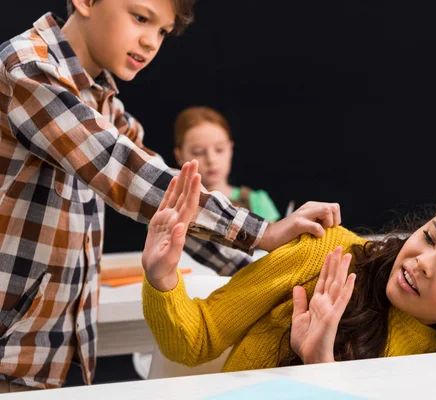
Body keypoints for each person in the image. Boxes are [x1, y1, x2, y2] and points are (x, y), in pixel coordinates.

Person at [0, 0, 341, 391]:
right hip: (9, 352)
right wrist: (263, 232)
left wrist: (279, 278)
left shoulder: (104, 104)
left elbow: (171, 213)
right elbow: (126, 172)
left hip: (49, 355)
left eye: (163, 31)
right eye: (141, 17)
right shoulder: (27, 68)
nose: (150, 42)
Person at [142, 169, 436, 370]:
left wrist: (321, 366)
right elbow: (194, 342)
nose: (422, 263)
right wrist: (162, 278)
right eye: (430, 237)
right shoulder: (324, 253)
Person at [173, 106, 281, 222]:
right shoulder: (170, 204)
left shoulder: (256, 201)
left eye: (219, 149)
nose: (211, 160)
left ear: (230, 149)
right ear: (179, 156)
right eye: (198, 152)